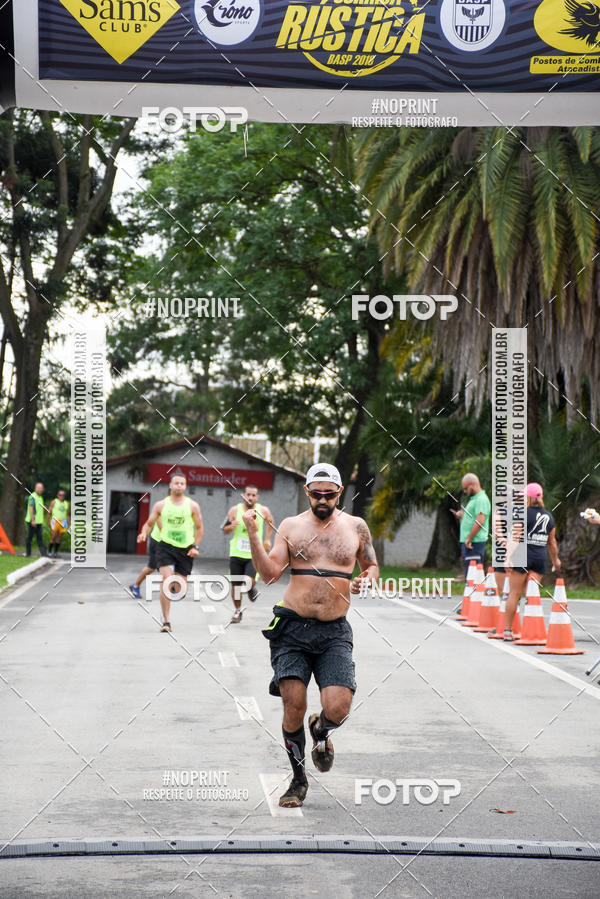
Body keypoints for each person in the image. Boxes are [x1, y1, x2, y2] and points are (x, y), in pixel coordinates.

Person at [243, 462, 379, 809]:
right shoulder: (291, 526)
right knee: (294, 704)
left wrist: (369, 578)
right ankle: (298, 779)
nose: (322, 499)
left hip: (334, 631)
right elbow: (271, 574)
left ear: (339, 493)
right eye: (316, 493)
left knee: (339, 707)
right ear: (307, 492)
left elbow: (372, 564)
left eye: (329, 494)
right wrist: (253, 536)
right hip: (292, 629)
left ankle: (320, 729)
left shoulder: (356, 527)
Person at [137, 474, 203, 633]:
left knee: (180, 588)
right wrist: (144, 533)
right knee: (166, 580)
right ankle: (166, 621)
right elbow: (149, 523)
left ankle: (173, 588)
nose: (179, 486)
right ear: (171, 485)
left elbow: (200, 528)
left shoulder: (193, 506)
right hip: (165, 546)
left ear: (185, 486)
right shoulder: (161, 505)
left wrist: (196, 547)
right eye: (177, 483)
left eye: (182, 483)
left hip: (185, 549)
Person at [504, 482, 561, 641]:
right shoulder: (549, 516)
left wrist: (507, 557)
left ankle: (508, 631)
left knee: (514, 594)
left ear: (527, 498)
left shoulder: (522, 513)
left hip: (522, 557)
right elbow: (552, 542)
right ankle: (530, 631)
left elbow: (515, 538)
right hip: (539, 558)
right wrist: (556, 560)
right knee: (532, 596)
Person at [222, 484, 274, 624]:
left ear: (257, 497)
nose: (250, 497)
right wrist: (229, 527)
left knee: (247, 580)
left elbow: (271, 523)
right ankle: (238, 611)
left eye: (253, 495)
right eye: (248, 494)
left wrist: (268, 540)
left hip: (254, 554)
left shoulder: (263, 510)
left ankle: (251, 588)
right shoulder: (234, 510)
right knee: (236, 586)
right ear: (243, 495)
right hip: (236, 553)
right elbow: (224, 528)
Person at [452, 473, 491, 577]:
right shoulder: (474, 499)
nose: (465, 491)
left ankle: (474, 592)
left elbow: (480, 521)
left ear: (473, 485)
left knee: (473, 575)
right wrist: (463, 516)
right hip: (470, 542)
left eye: (466, 488)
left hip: (474, 542)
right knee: (469, 574)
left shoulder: (481, 499)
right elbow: (473, 517)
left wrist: (469, 538)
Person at [129, 517, 162, 599]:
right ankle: (135, 586)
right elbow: (160, 524)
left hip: (168, 543)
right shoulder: (163, 506)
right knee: (151, 567)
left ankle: (172, 586)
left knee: (169, 565)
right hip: (158, 541)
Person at [47, 488, 70, 559]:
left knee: (59, 537)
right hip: (55, 521)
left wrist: (69, 523)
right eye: (60, 495)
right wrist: (48, 522)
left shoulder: (66, 503)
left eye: (63, 495)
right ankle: (50, 552)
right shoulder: (54, 502)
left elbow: (67, 514)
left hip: (63, 521)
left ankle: (56, 552)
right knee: (53, 536)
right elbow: (49, 512)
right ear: (57, 495)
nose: (61, 496)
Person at [25, 482, 46, 557]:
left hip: (39, 521)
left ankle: (44, 554)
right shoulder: (33, 496)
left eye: (41, 488)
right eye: (38, 488)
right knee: (30, 538)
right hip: (32, 521)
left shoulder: (40, 497)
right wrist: (33, 520)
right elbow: (31, 508)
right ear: (35, 488)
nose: (40, 489)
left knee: (39, 538)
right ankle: (28, 554)